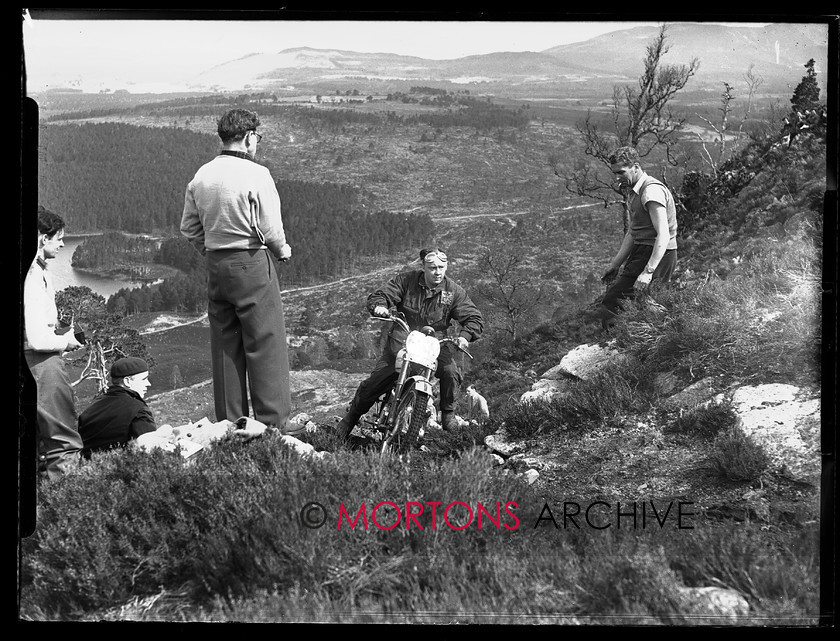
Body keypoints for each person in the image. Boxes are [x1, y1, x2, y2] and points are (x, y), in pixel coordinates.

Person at [180, 108, 300, 434]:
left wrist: (210, 249)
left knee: (225, 345)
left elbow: (189, 228)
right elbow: (270, 227)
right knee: (266, 342)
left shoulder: (201, 175)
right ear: (248, 137)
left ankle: (231, 425)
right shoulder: (257, 174)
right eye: (256, 137)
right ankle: (272, 427)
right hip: (251, 263)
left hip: (216, 266)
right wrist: (282, 250)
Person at [336, 248, 484, 438]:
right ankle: (350, 418)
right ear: (423, 267)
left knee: (451, 372)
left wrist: (464, 336)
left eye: (441, 267)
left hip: (435, 343)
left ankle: (448, 415)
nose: (437, 272)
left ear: (446, 267)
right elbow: (382, 294)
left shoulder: (454, 291)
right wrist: (380, 306)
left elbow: (474, 318)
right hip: (403, 339)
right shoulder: (406, 281)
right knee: (376, 381)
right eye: (432, 267)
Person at [23, 209, 85, 481]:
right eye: (57, 238)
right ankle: (67, 504)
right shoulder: (33, 275)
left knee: (35, 443)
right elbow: (37, 337)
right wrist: (66, 341)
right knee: (64, 440)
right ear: (40, 237)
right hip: (42, 364)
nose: (62, 244)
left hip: (30, 361)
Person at [597, 146, 678, 329]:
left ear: (635, 166)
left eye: (621, 172)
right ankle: (645, 343)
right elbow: (634, 231)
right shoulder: (634, 191)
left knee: (617, 301)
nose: (617, 177)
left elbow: (663, 234)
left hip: (658, 254)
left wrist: (648, 272)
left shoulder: (651, 192)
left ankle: (622, 347)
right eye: (615, 173)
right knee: (643, 303)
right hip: (643, 250)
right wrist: (615, 264)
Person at [77, 357, 157, 456]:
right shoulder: (138, 409)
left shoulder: (91, 408)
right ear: (127, 381)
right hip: (120, 469)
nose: (148, 384)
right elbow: (150, 449)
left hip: (87, 469)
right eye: (144, 379)